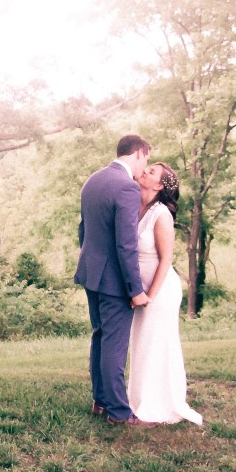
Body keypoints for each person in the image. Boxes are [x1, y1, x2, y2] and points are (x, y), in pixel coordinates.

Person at [74, 134, 155, 428]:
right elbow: (126, 245)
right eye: (145, 159)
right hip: (113, 281)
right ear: (137, 154)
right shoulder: (127, 188)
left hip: (91, 273)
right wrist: (135, 289)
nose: (144, 167)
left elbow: (84, 230)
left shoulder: (93, 180)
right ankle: (119, 413)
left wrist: (91, 262)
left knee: (99, 336)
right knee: (115, 345)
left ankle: (100, 401)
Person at [126, 162, 202, 425]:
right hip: (139, 291)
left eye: (152, 172)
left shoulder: (161, 215)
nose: (144, 171)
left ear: (159, 186)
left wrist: (150, 295)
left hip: (160, 291)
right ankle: (137, 400)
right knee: (141, 344)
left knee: (157, 345)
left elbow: (166, 258)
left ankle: (159, 404)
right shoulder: (134, 206)